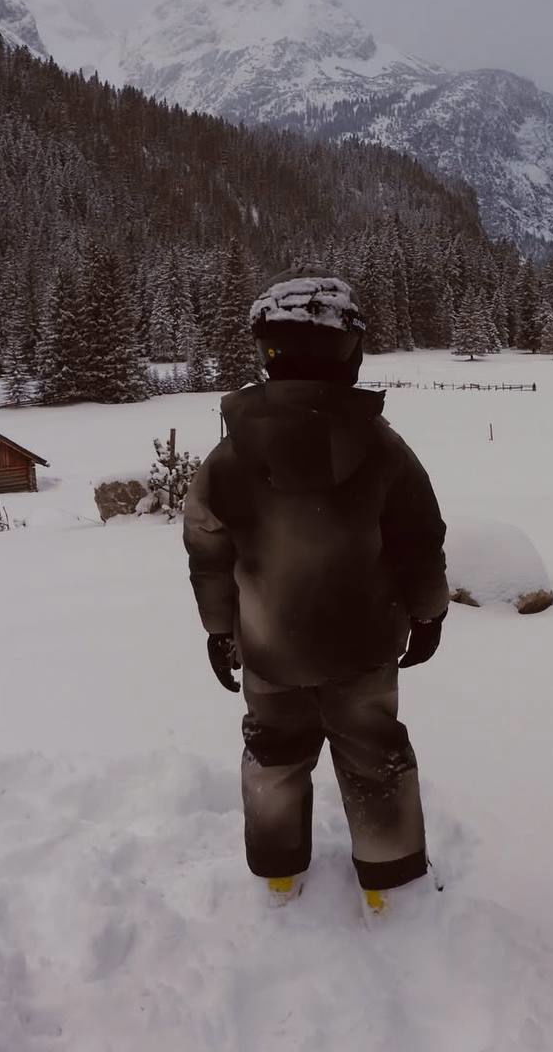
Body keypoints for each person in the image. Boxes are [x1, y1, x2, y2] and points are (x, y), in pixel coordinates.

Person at [183, 269, 449, 916]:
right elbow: (419, 536)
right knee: (374, 756)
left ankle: (278, 874)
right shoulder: (383, 449)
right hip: (362, 647)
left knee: (274, 753)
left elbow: (207, 549)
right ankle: (389, 882)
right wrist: (428, 611)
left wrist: (220, 628)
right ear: (348, 354)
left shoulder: (229, 457)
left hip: (269, 646)